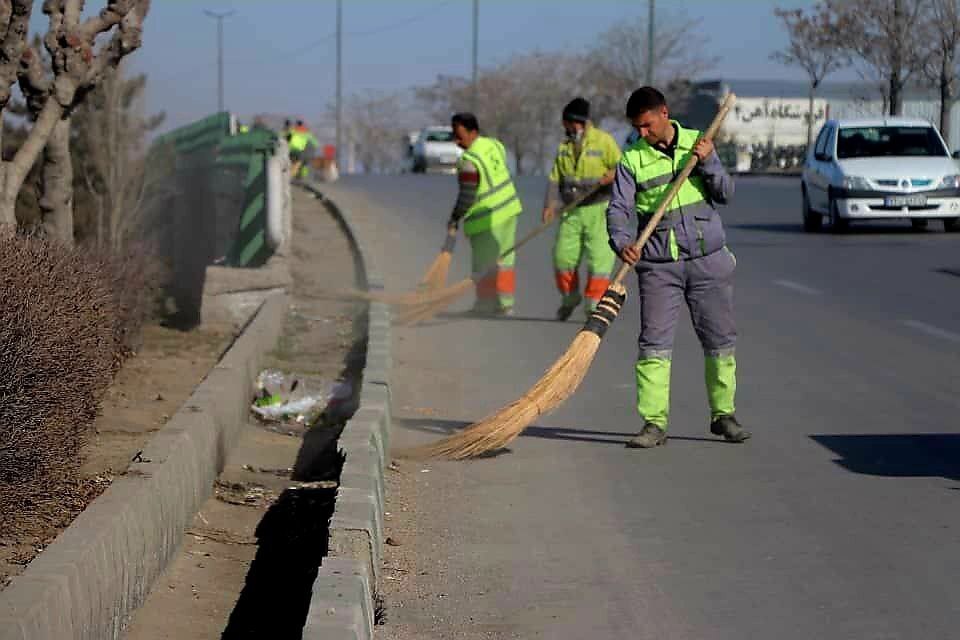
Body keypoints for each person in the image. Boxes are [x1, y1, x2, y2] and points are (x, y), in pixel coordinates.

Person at [606, 86, 751, 448]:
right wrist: (621, 241)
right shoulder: (632, 160)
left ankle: (724, 415)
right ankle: (654, 423)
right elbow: (619, 209)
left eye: (647, 125)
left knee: (720, 343)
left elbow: (726, 194)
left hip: (708, 261)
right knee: (653, 345)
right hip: (658, 266)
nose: (642, 133)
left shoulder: (699, 144)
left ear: (664, 114)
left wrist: (710, 161)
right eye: (637, 127)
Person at [542, 97, 622, 321]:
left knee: (599, 260)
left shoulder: (604, 141)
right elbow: (555, 178)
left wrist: (612, 175)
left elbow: (623, 167)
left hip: (599, 209)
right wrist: (549, 204)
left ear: (577, 122)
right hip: (571, 210)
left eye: (567, 123)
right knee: (562, 258)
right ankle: (569, 298)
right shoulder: (564, 147)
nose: (565, 128)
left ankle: (593, 305)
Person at [447, 112, 523, 316]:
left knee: (484, 264)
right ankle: (506, 303)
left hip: (486, 220)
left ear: (473, 132)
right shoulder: (494, 145)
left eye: (459, 135)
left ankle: (485, 304)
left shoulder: (468, 160)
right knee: (506, 259)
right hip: (509, 210)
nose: (456, 141)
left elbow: (467, 196)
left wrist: (454, 219)